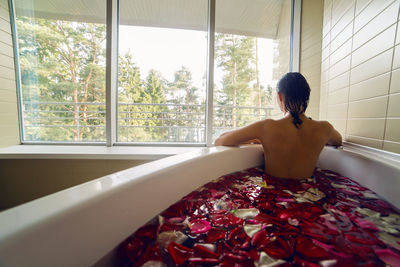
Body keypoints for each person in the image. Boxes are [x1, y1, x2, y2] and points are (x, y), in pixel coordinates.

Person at [214, 72, 342, 180]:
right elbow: (338, 141)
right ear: (307, 97)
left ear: (280, 96)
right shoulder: (325, 129)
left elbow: (220, 141)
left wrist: (257, 138)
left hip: (273, 195)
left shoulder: (266, 127)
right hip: (308, 195)